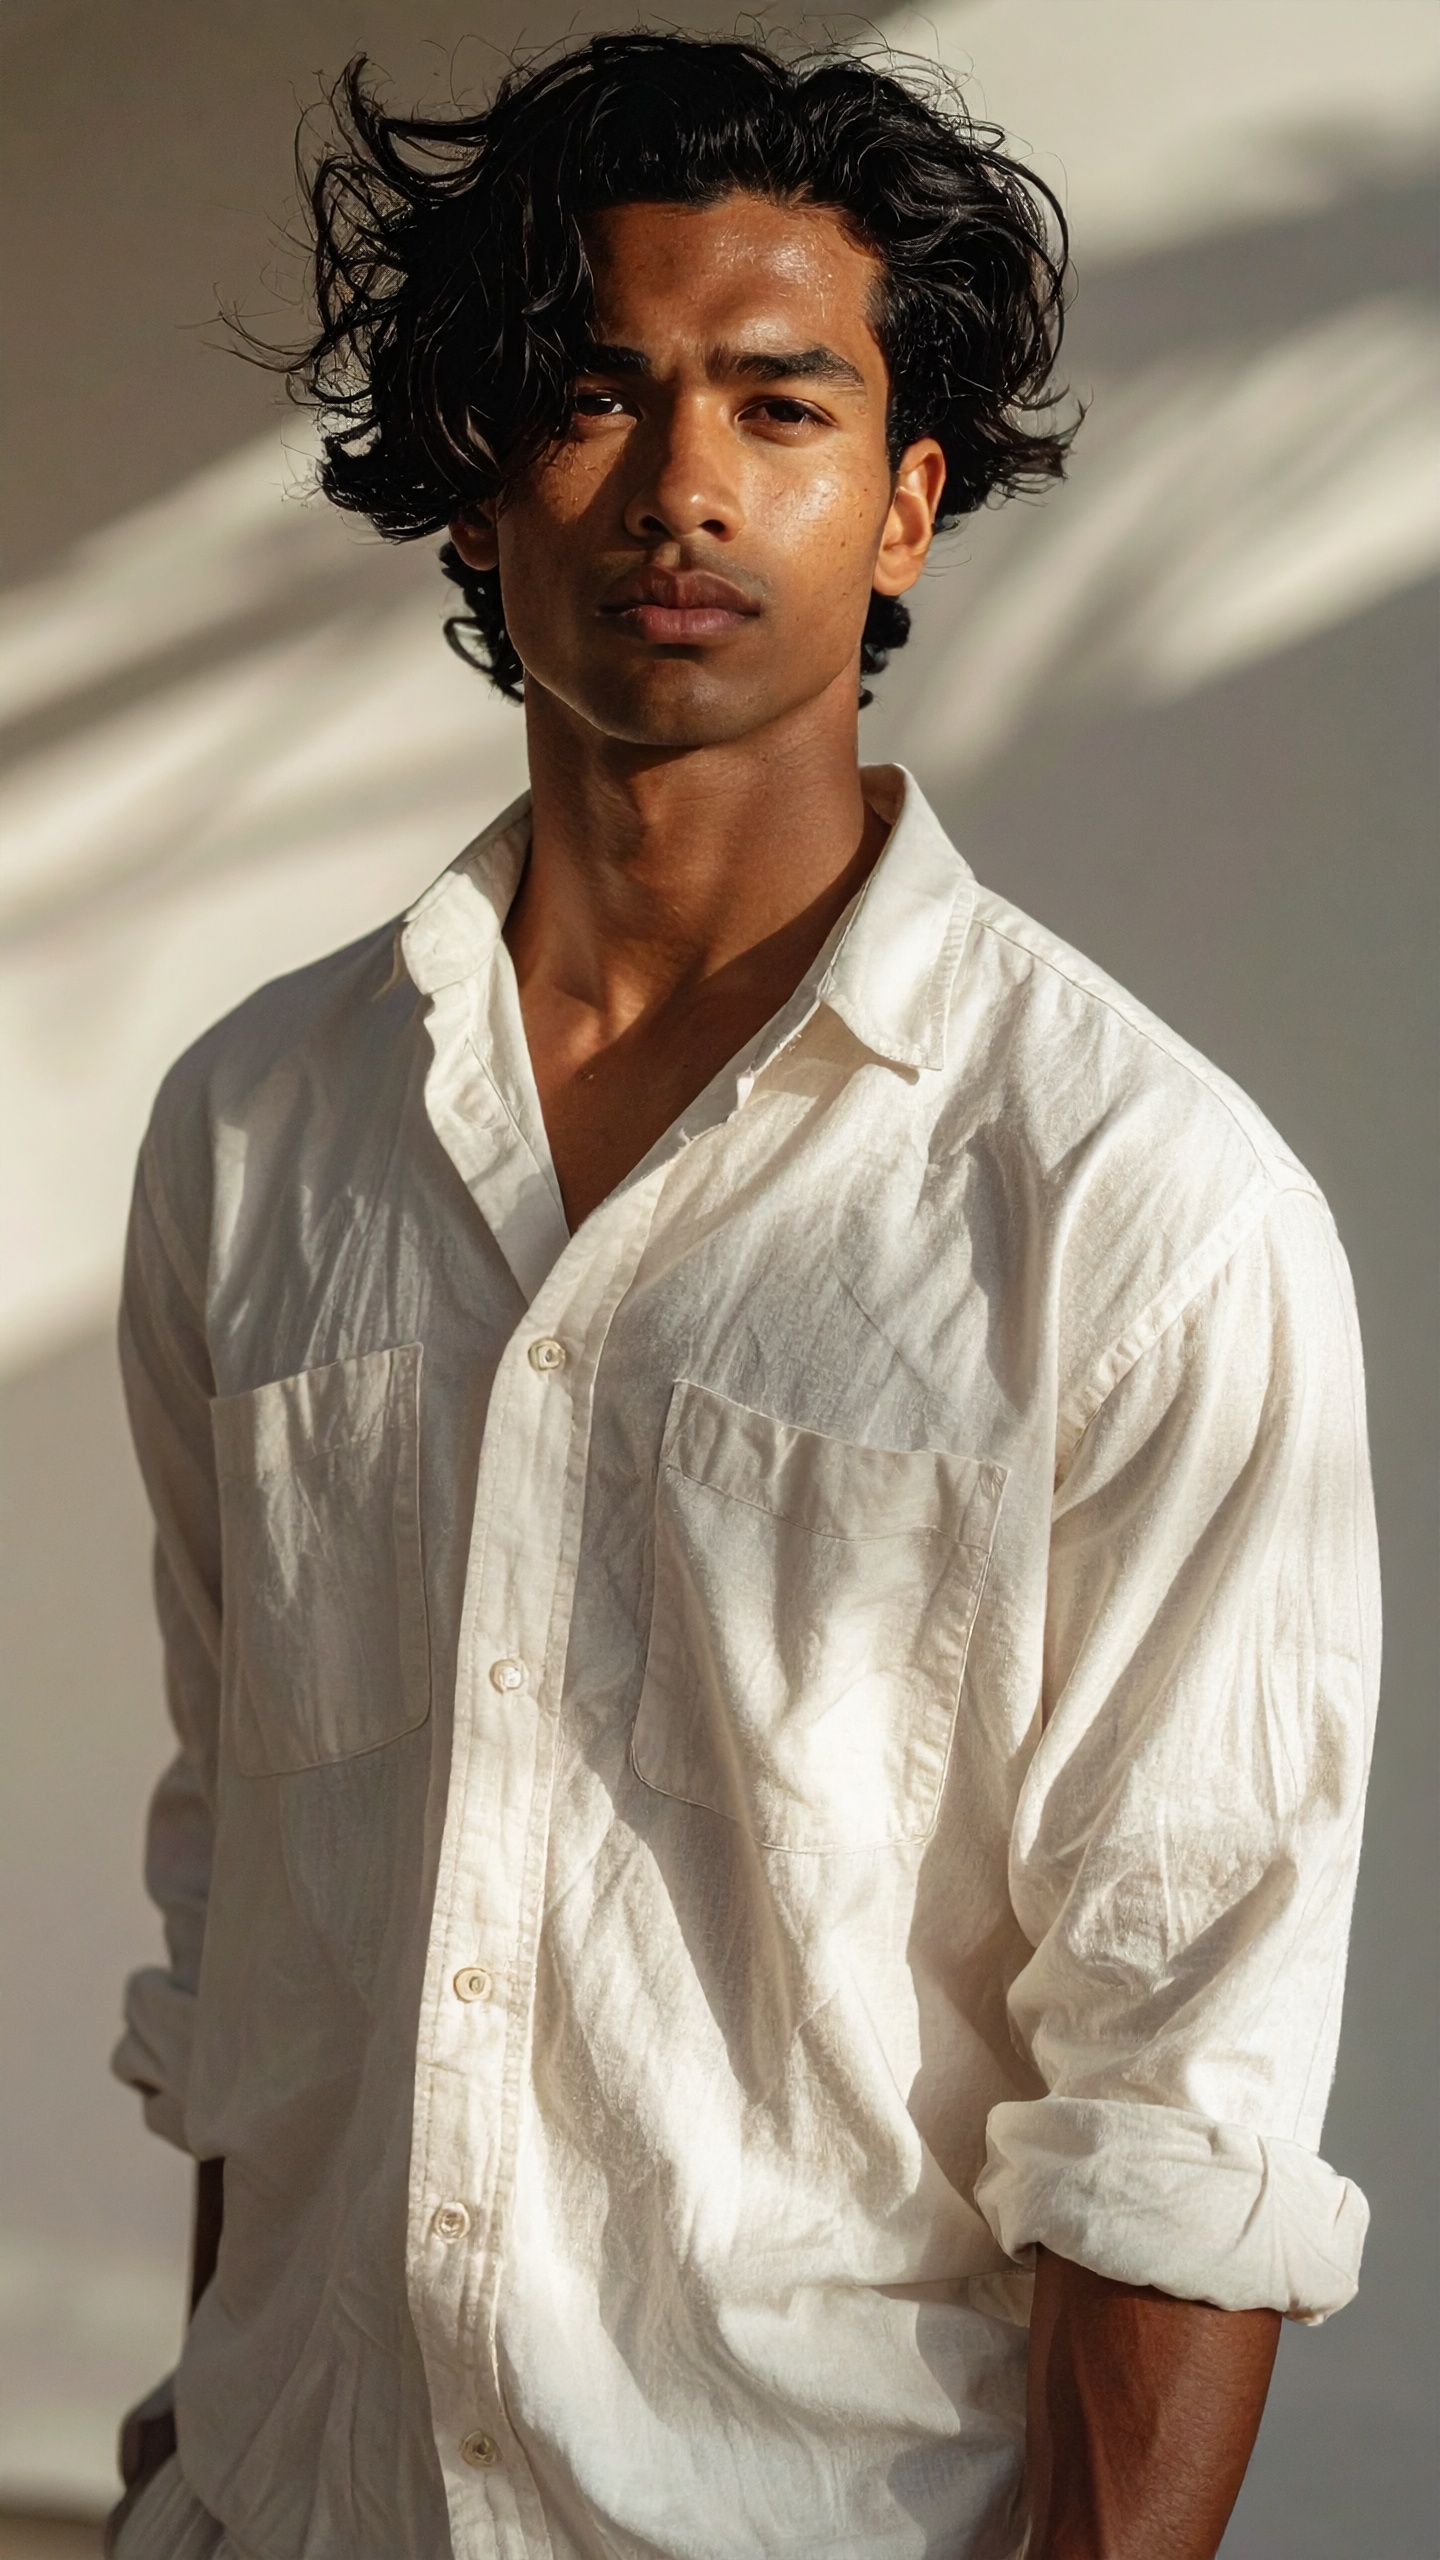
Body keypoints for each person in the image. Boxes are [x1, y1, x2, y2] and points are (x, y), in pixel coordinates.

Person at [107, 32, 1378, 2560]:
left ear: (906, 505)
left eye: (779, 404)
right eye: (592, 391)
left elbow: (1172, 2109)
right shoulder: (256, 1134)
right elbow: (256, 1950)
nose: (682, 480)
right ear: (481, 488)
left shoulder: (1138, 1204)